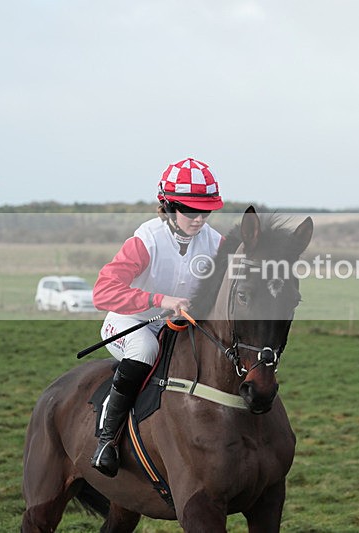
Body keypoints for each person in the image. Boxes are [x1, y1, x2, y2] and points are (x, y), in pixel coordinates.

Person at [90, 157, 225, 477]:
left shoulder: (216, 242)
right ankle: (107, 439)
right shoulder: (146, 240)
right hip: (129, 321)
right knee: (145, 350)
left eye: (205, 211)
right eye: (191, 210)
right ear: (167, 205)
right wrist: (159, 299)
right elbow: (102, 292)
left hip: (177, 325)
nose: (199, 219)